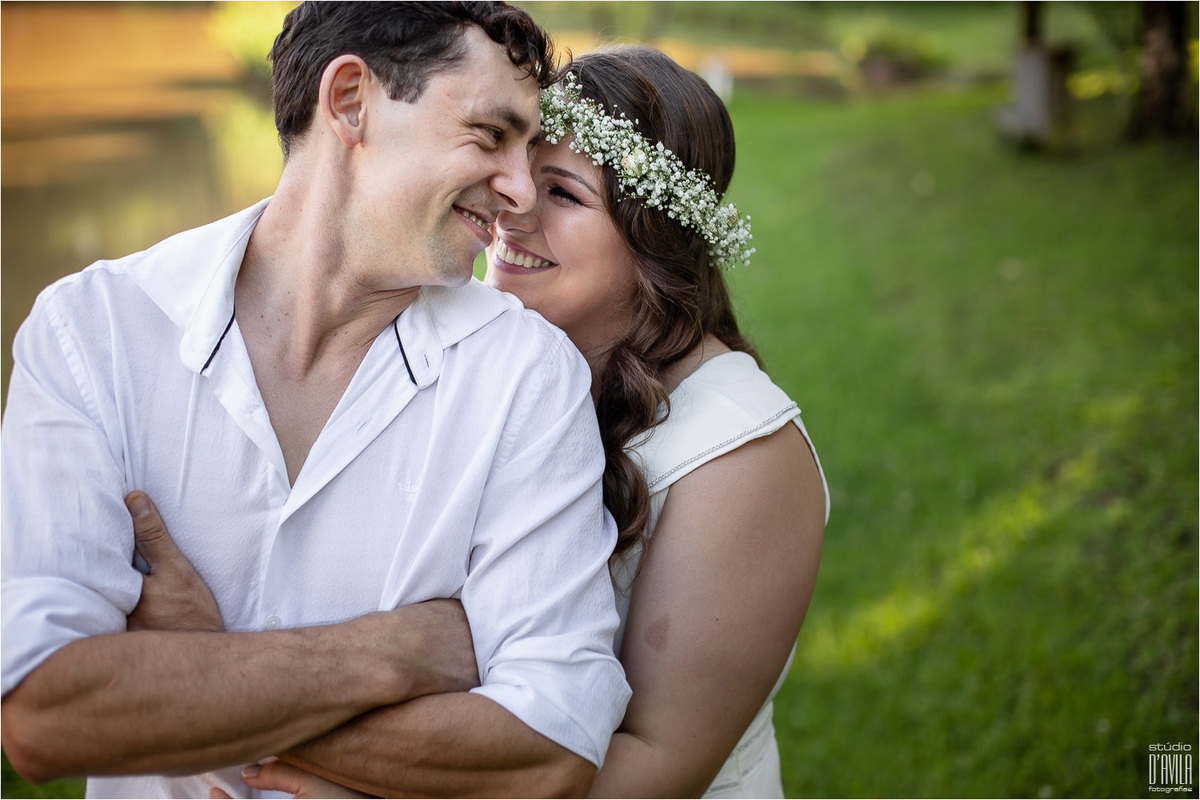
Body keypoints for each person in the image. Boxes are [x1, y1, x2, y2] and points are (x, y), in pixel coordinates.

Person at [131, 45, 829, 798]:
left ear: (655, 238)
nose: (513, 202)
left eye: (561, 192)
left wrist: (221, 696)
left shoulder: (738, 458)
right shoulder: (464, 349)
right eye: (516, 163)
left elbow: (654, 767)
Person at [0, 4, 632, 798]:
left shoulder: (526, 376)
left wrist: (196, 675)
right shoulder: (93, 334)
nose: (518, 191)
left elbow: (551, 748)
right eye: (489, 135)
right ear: (350, 102)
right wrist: (394, 652)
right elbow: (44, 710)